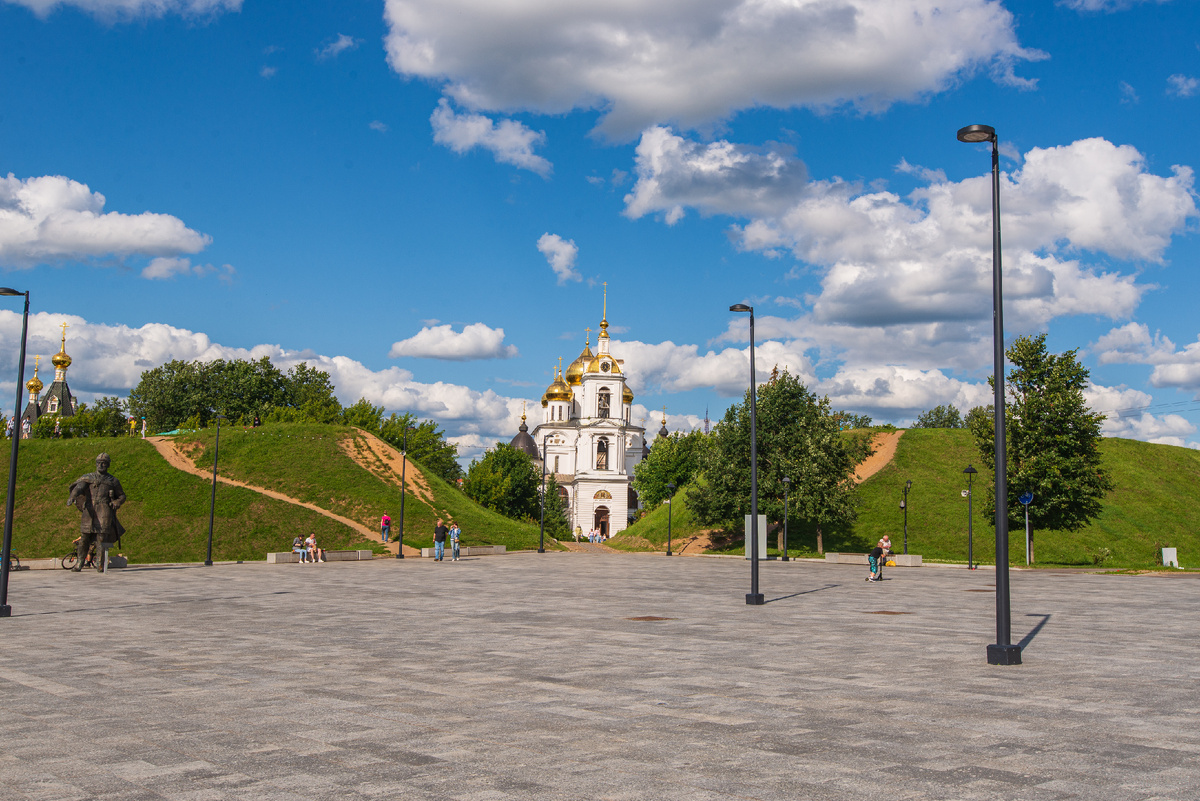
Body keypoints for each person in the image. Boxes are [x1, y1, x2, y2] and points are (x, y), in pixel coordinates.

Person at [66, 452, 127, 573]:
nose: (101, 465)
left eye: (104, 463)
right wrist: (72, 496)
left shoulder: (113, 481)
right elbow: (79, 487)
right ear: (96, 464)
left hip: (104, 509)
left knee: (101, 538)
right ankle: (79, 563)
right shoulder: (88, 478)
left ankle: (100, 563)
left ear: (108, 465)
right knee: (84, 538)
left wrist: (117, 502)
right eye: (99, 463)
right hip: (89, 509)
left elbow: (122, 496)